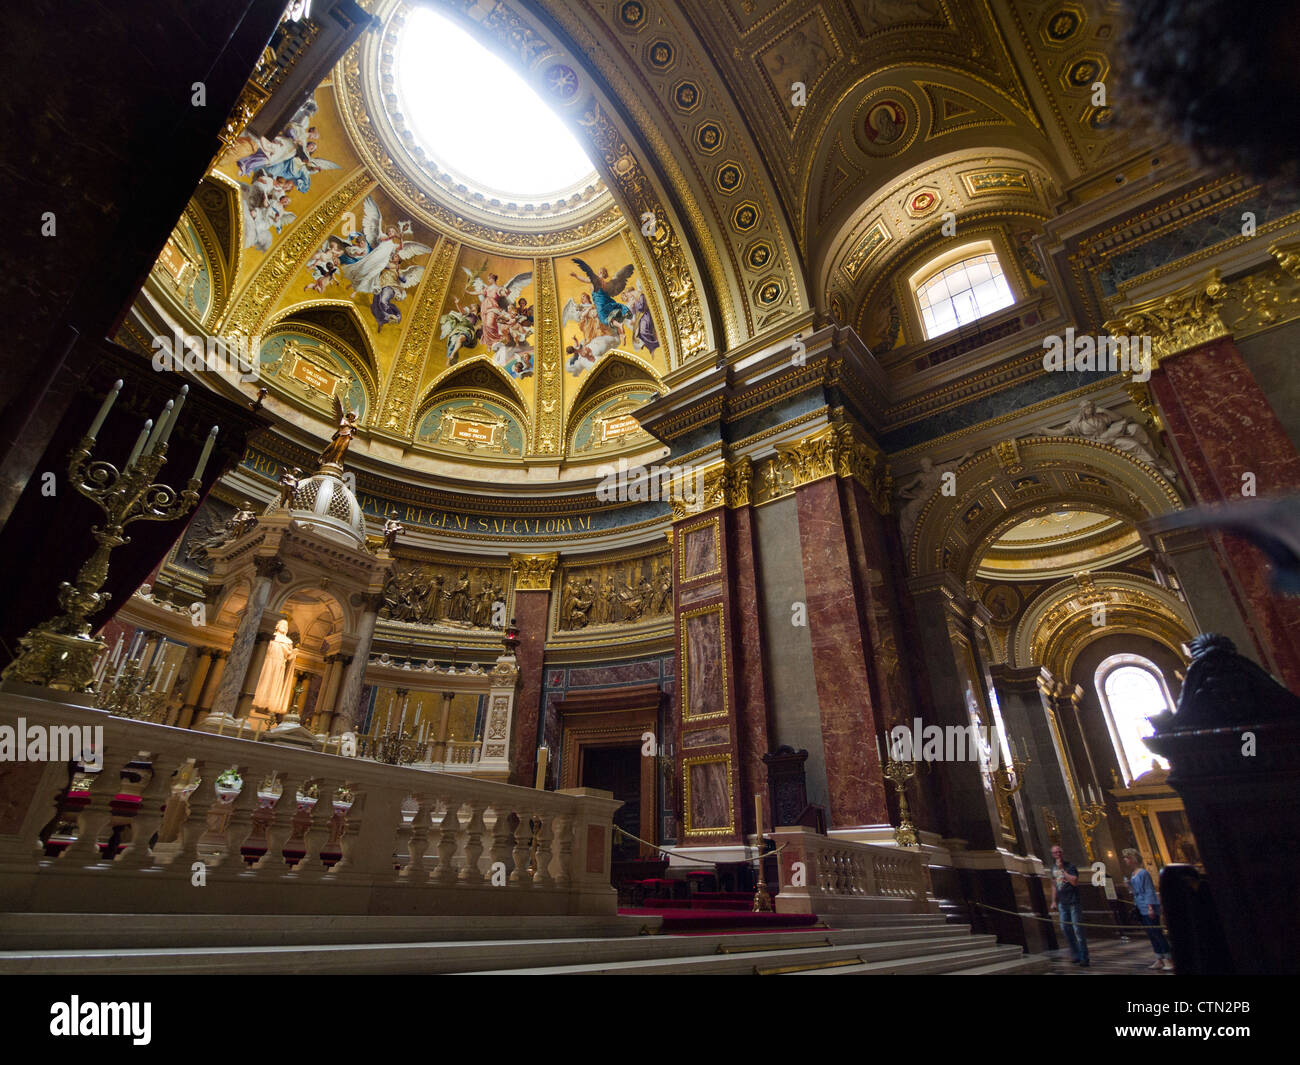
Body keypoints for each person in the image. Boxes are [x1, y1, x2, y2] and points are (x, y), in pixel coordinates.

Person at [1123, 848, 1174, 971]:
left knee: (1157, 934)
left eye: (1127, 858)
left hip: (1148, 906)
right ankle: (1159, 958)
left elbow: (1149, 890)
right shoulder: (1133, 874)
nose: (1125, 860)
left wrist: (1150, 908)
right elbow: (1134, 891)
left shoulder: (1143, 873)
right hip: (1140, 906)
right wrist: (1129, 885)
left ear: (1133, 859)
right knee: (1151, 934)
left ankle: (1169, 959)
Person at [1048, 844, 1090, 966]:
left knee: (1078, 930)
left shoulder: (1070, 866)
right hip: (1062, 903)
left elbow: (1074, 881)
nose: (1057, 855)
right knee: (1065, 929)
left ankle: (1084, 957)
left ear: (1062, 853)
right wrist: (1053, 901)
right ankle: (1075, 955)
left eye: (1059, 852)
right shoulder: (1052, 868)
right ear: (1052, 855)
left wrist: (1063, 870)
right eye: (1055, 853)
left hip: (1073, 902)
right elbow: (1054, 885)